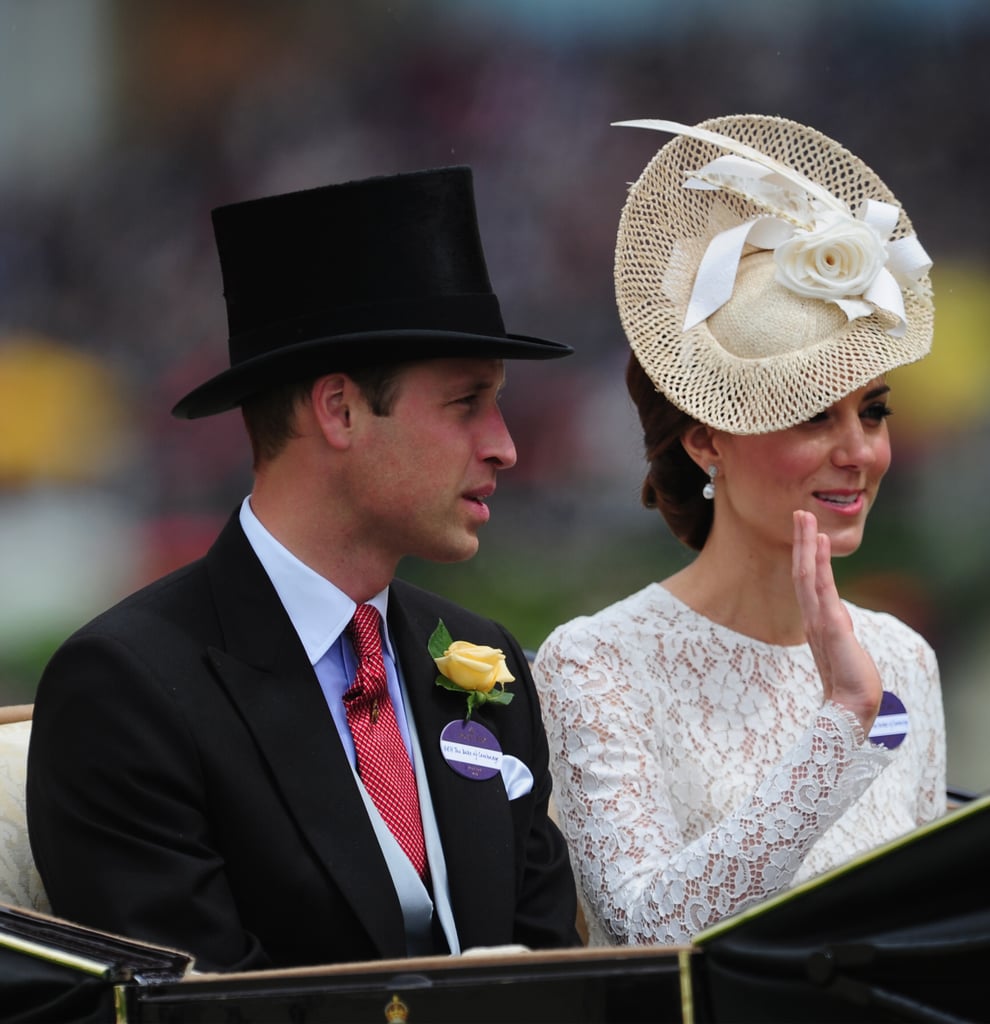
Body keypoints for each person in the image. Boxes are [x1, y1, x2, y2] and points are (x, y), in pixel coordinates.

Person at [26, 166, 580, 972]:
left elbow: (555, 967)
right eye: (466, 402)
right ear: (340, 410)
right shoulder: (128, 689)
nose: (504, 444)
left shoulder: (478, 653)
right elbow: (193, 1005)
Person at [532, 115, 946, 948]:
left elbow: (925, 939)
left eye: (872, 411)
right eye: (812, 415)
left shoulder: (905, 658)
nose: (859, 452)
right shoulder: (594, 664)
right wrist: (843, 722)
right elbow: (647, 934)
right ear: (706, 440)